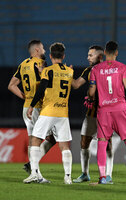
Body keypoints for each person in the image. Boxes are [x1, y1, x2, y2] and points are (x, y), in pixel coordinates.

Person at [87, 41, 126, 184]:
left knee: (102, 142)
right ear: (117, 53)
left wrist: (91, 98)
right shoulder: (123, 68)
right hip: (120, 108)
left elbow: (91, 92)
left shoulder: (95, 70)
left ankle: (102, 177)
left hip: (104, 111)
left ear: (105, 53)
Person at [23, 42, 74, 184]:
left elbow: (42, 89)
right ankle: (68, 177)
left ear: (50, 56)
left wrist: (32, 105)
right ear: (63, 56)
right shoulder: (70, 72)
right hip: (63, 113)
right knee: (64, 145)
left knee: (35, 140)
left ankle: (34, 173)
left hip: (48, 111)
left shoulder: (47, 70)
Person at [8, 40, 56, 182]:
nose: (45, 51)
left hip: (27, 107)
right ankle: (34, 171)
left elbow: (11, 85)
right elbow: (45, 85)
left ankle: (33, 170)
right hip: (38, 106)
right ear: (36, 50)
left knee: (33, 138)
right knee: (50, 137)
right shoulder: (41, 64)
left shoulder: (23, 64)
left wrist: (26, 98)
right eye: (42, 48)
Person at [72, 45, 115, 183]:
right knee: (84, 142)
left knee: (108, 143)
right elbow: (76, 85)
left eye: (91, 55)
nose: (88, 57)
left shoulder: (111, 69)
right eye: (88, 55)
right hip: (91, 114)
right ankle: (85, 174)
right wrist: (68, 75)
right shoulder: (89, 70)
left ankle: (108, 175)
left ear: (100, 57)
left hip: (106, 113)